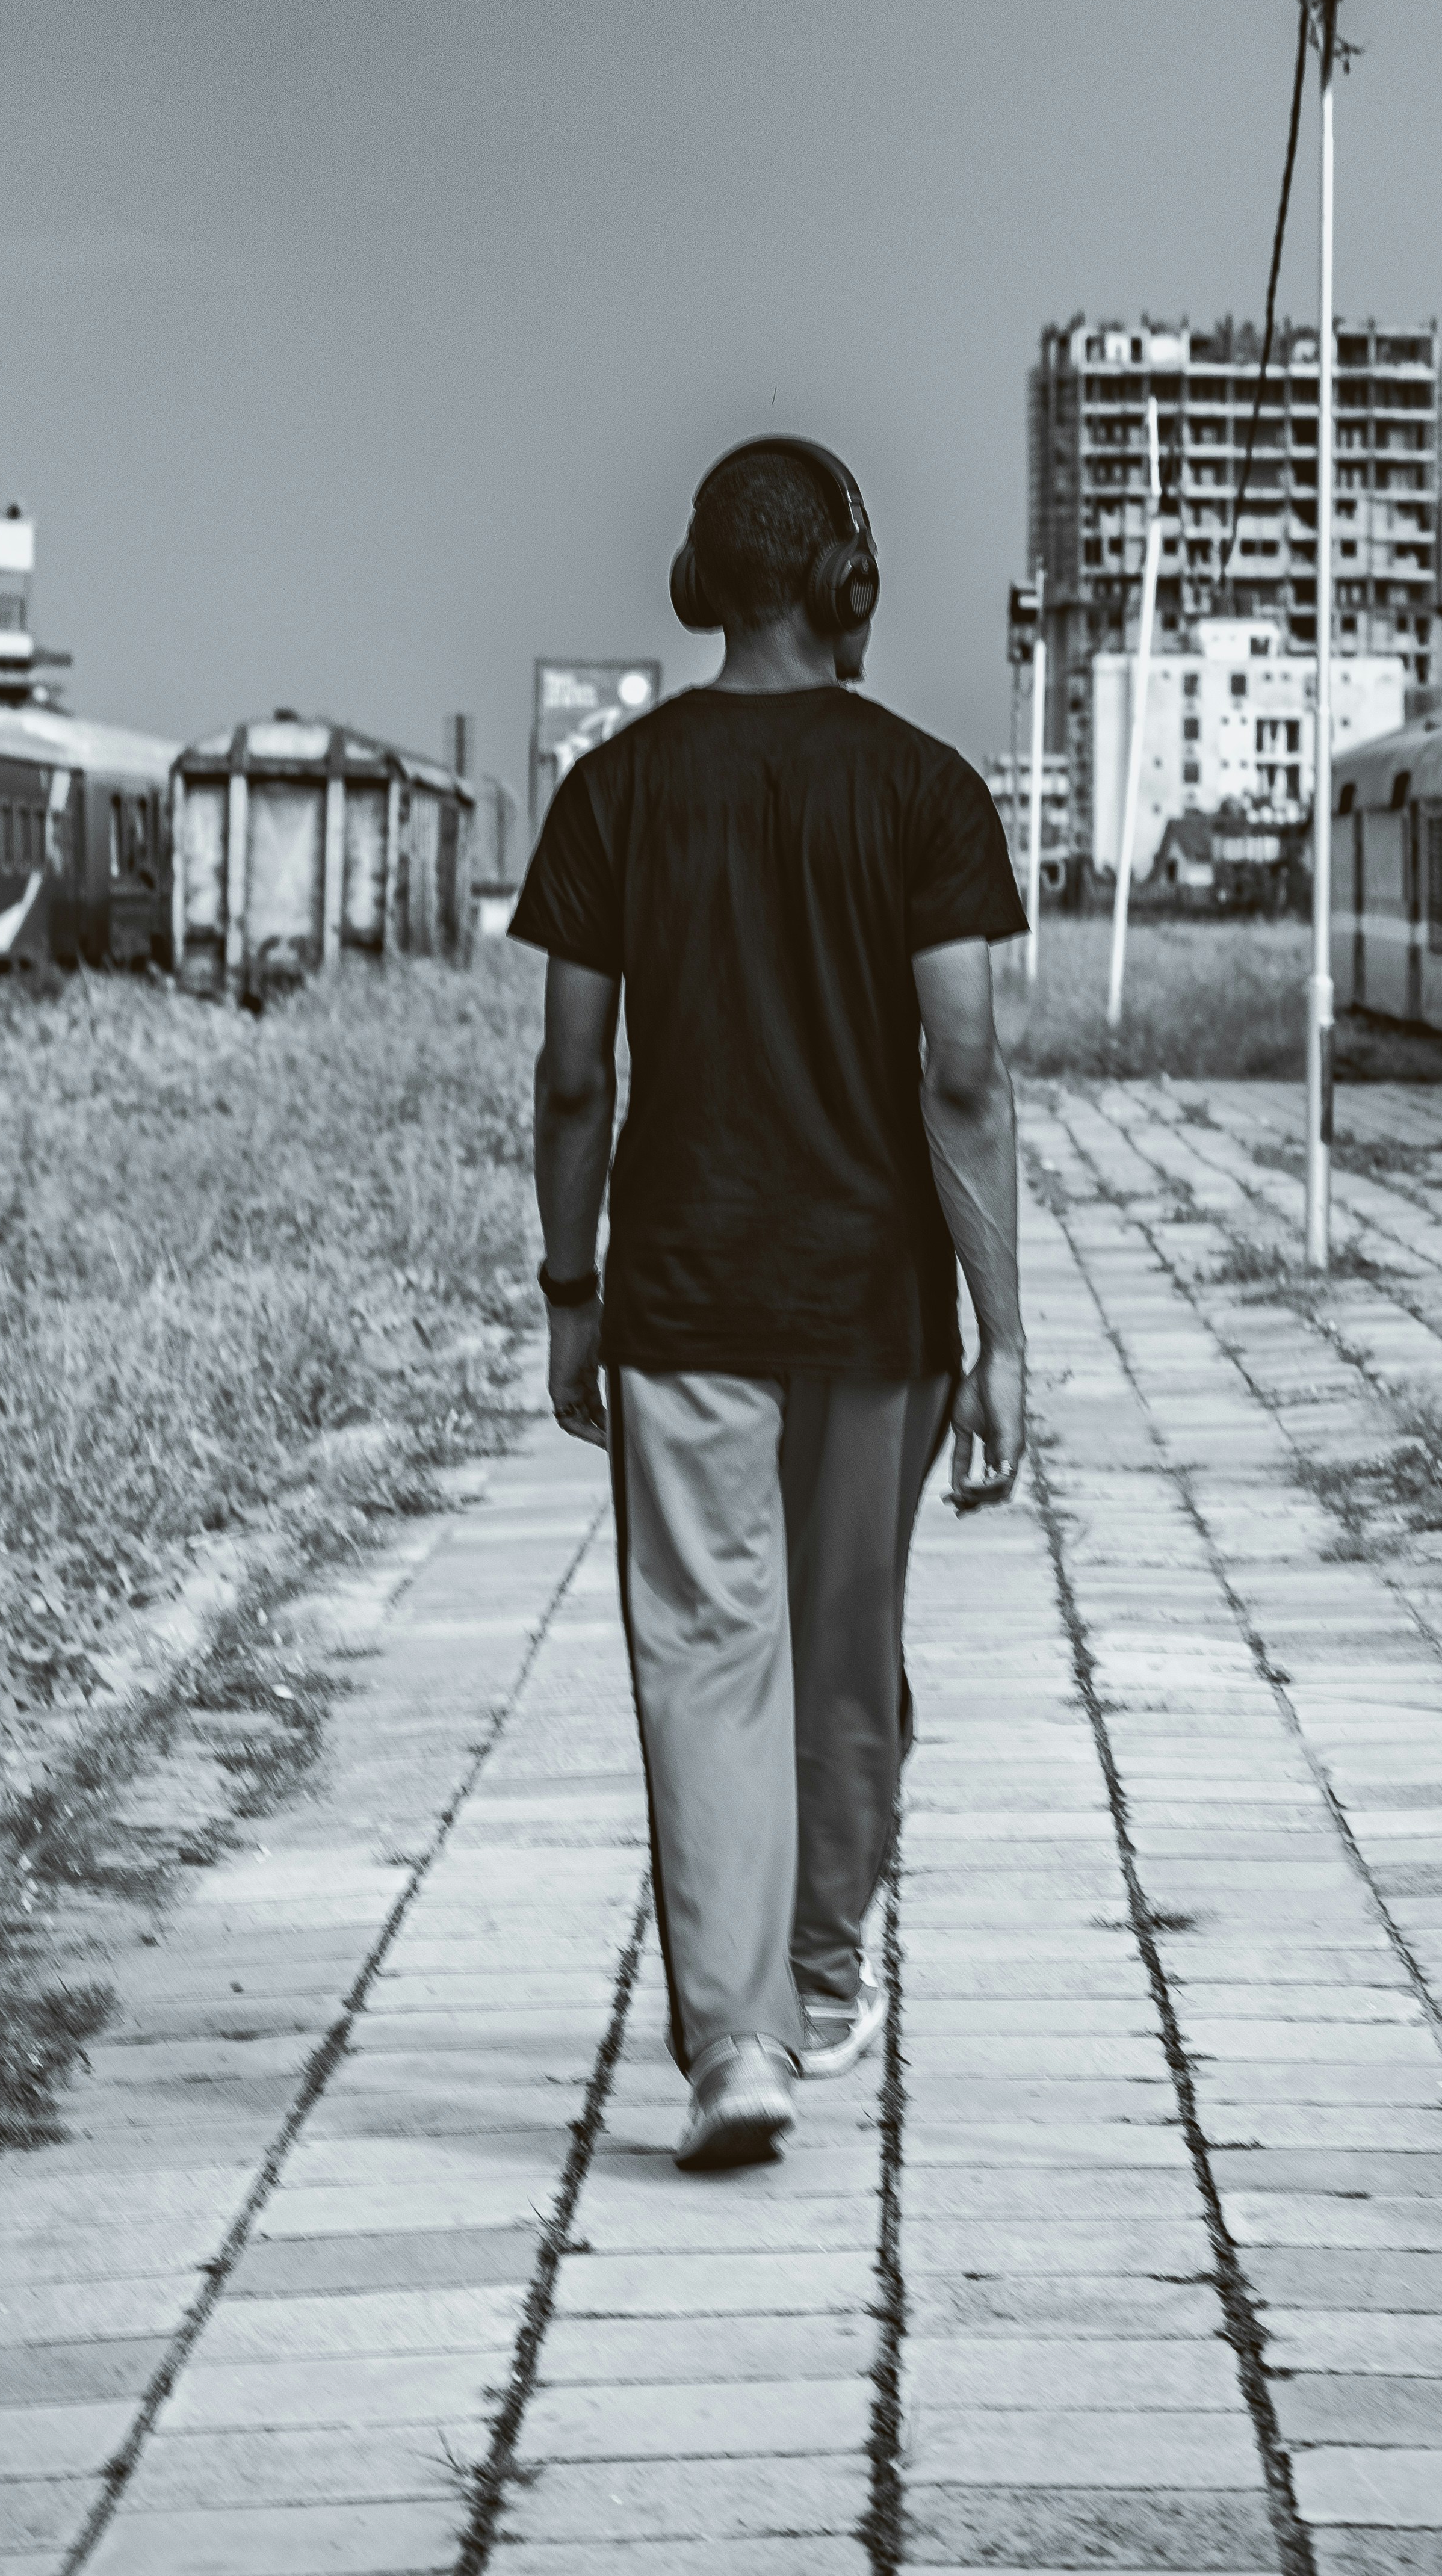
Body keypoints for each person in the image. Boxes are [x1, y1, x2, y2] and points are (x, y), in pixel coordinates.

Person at [511, 434, 1029, 2173]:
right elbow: (965, 1073)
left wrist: (569, 1291)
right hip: (873, 1310)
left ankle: (734, 2045)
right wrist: (1003, 1329)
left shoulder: (614, 791)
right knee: (848, 1662)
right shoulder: (929, 792)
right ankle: (816, 1973)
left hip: (678, 1292)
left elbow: (575, 1077)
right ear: (848, 586)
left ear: (699, 588)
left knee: (703, 1657)